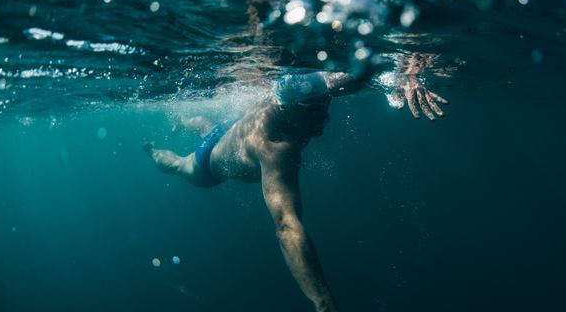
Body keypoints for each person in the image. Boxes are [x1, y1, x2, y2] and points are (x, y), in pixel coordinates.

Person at [144, 67, 447, 312]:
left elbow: (347, 78)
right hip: (207, 165)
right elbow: (286, 225)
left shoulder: (294, 98)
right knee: (177, 164)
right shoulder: (276, 148)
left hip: (232, 127)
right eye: (316, 113)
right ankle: (154, 149)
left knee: (205, 125)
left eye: (324, 106)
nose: (324, 118)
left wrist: (404, 76)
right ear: (293, 111)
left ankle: (184, 121)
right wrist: (322, 300)